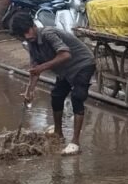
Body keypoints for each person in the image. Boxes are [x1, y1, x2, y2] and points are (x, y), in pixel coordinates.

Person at [11, 13, 96, 155]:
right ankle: (58, 133)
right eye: (23, 34)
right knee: (56, 96)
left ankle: (75, 142)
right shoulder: (31, 43)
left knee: (77, 97)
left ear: (33, 26)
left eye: (27, 31)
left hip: (83, 64)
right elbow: (34, 69)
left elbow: (65, 55)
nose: (27, 36)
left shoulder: (48, 34)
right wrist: (29, 92)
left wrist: (43, 67)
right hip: (65, 70)